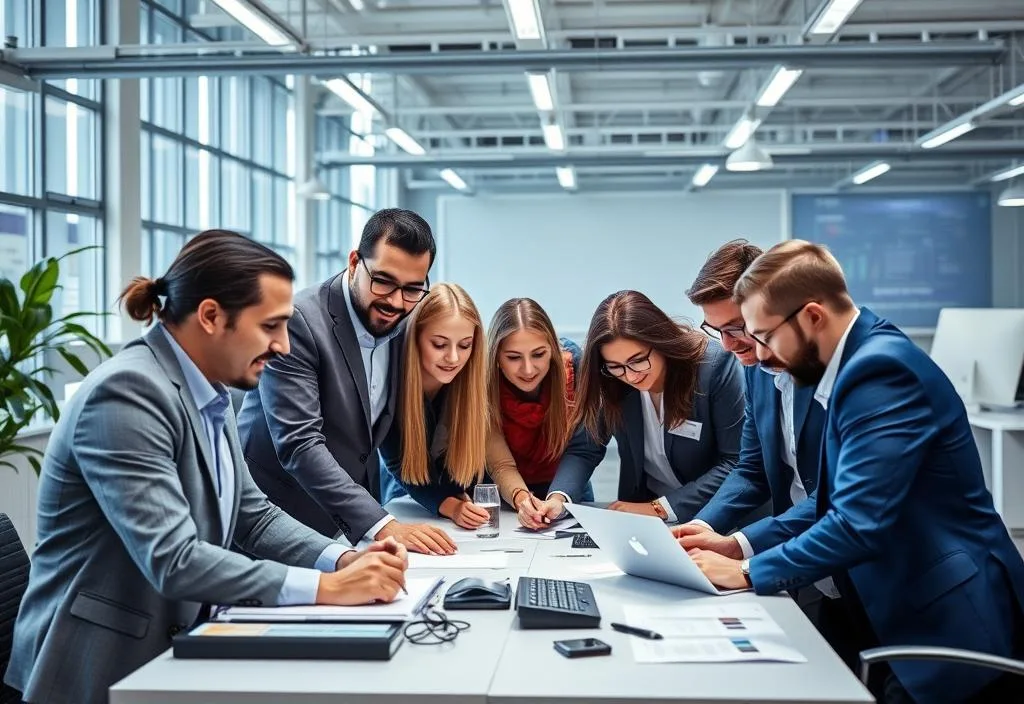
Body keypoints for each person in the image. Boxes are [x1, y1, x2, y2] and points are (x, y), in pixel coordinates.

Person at [5, 231, 409, 704]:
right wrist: (327, 587)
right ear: (212, 316)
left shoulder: (210, 391)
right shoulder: (127, 394)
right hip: (99, 668)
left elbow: (251, 515)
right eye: (270, 326)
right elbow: (173, 559)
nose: (282, 345)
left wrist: (342, 559)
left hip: (179, 647)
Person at [689, 239, 1024, 704]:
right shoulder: (848, 365)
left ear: (811, 317)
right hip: (887, 600)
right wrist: (740, 545)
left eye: (763, 335)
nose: (759, 356)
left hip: (945, 615)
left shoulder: (878, 371)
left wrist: (747, 571)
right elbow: (833, 500)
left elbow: (857, 522)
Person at [238, 208, 456, 556]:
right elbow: (300, 445)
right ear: (355, 262)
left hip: (348, 529)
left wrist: (442, 500)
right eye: (383, 281)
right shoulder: (299, 322)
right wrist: (383, 524)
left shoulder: (405, 319)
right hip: (274, 523)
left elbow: (388, 434)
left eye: (413, 288)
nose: (396, 301)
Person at [544, 290, 745, 524]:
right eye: (616, 366)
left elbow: (735, 462)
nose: (630, 376)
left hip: (718, 518)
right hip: (645, 521)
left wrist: (658, 508)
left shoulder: (713, 367)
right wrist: (558, 498)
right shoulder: (610, 379)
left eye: (638, 360)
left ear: (660, 342)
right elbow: (585, 448)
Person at [378, 283, 492, 529]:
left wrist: (460, 502)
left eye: (464, 345)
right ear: (415, 338)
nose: (453, 358)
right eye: (439, 344)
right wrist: (450, 506)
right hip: (403, 503)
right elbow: (398, 464)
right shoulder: (388, 385)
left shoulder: (467, 385)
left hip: (453, 505)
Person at [483, 298, 594, 529]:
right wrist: (522, 500)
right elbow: (500, 464)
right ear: (496, 357)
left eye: (538, 354)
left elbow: (582, 449)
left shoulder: (576, 368)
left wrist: (558, 499)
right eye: (513, 357)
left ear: (553, 350)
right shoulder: (481, 383)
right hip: (507, 494)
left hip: (567, 489)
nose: (528, 369)